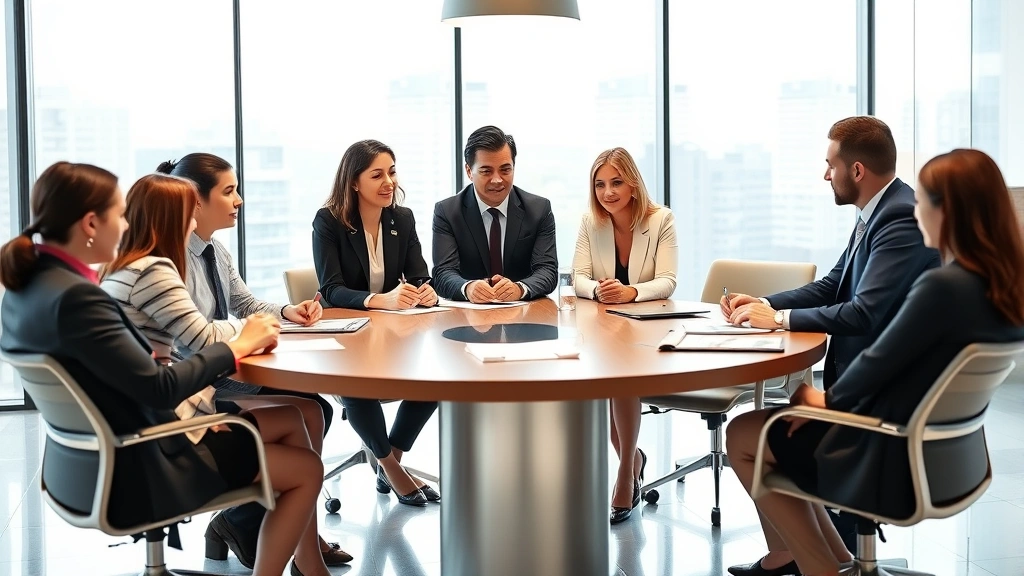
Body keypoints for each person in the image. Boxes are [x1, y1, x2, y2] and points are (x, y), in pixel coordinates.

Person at [0, 161, 329, 576]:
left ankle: (307, 565)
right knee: (307, 469)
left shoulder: (27, 290)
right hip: (145, 459)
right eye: (118, 215)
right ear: (89, 223)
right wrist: (238, 346)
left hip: (85, 459)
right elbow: (158, 389)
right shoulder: (80, 298)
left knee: (296, 419)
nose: (125, 225)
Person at [724, 148, 1024, 576]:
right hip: (944, 450)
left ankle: (818, 570)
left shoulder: (943, 286)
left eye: (925, 201)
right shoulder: (1001, 287)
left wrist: (815, 399)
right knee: (781, 426)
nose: (916, 211)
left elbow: (879, 362)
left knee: (743, 435)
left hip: (888, 448)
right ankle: (843, 565)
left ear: (948, 212)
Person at [100, 173, 352, 566]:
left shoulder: (125, 268)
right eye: (190, 209)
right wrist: (250, 332)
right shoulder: (154, 270)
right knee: (307, 463)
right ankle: (288, 549)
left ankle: (304, 555)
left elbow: (240, 306)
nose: (195, 216)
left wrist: (277, 317)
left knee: (305, 412)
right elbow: (200, 338)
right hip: (169, 418)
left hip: (146, 414)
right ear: (175, 216)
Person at [721, 116, 941, 567]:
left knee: (747, 434)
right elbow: (834, 284)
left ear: (856, 170)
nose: (825, 175)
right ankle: (815, 561)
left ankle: (814, 567)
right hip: (883, 401)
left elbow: (865, 311)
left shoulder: (898, 215)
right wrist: (762, 302)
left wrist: (779, 319)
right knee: (763, 428)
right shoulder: (880, 210)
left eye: (830, 165)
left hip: (884, 420)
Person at [311, 140, 440, 506]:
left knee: (435, 377)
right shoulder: (329, 221)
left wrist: (425, 291)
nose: (389, 182)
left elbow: (418, 275)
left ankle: (391, 460)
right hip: (347, 335)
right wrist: (376, 300)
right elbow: (331, 288)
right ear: (354, 182)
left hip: (393, 334)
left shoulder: (403, 218)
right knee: (357, 382)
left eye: (392, 172)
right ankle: (391, 467)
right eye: (377, 174)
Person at [571, 147, 678, 523]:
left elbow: (667, 281)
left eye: (616, 182)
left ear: (633, 183)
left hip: (648, 328)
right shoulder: (591, 221)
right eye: (600, 184)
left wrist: (632, 291)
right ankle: (633, 459)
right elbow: (578, 276)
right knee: (598, 380)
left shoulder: (660, 219)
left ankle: (624, 475)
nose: (608, 192)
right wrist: (598, 290)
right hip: (604, 325)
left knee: (620, 377)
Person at [432, 125, 558, 302]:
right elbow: (442, 273)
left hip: (524, 317)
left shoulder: (539, 210)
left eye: (505, 170)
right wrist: (468, 288)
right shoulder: (448, 212)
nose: (497, 179)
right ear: (469, 171)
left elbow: (547, 271)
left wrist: (519, 289)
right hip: (468, 319)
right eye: (486, 171)